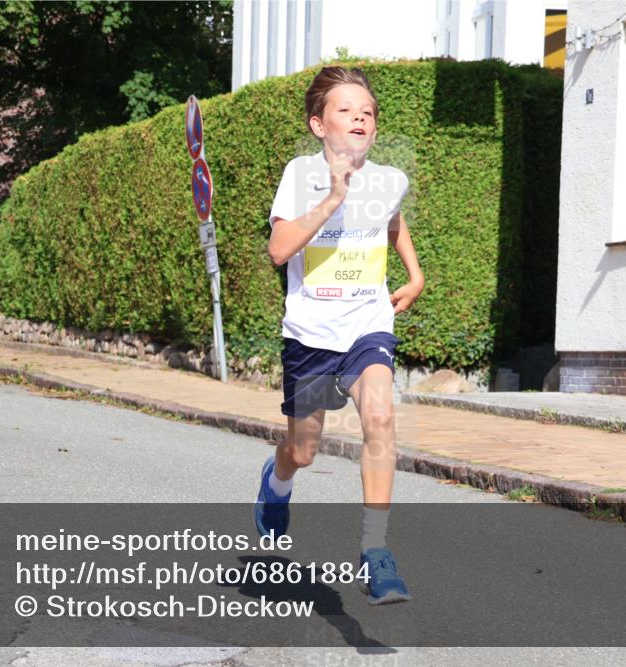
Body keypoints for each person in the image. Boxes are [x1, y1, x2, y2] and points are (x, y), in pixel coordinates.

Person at [254, 66, 424, 605]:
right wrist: (331, 198)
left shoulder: (389, 179)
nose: (359, 117)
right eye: (346, 110)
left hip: (366, 323)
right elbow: (280, 250)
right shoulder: (299, 174)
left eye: (368, 112)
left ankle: (375, 551)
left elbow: (391, 221)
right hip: (309, 332)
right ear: (317, 124)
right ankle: (277, 481)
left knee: (379, 416)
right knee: (304, 449)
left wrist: (413, 273)